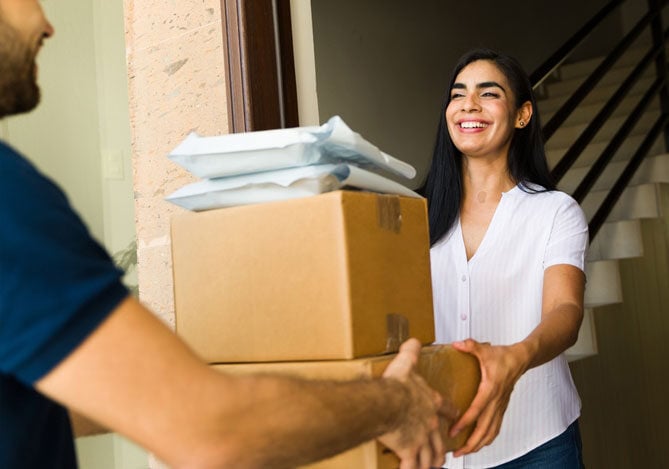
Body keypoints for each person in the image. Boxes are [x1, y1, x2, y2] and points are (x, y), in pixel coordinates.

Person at [0, 2, 454, 469]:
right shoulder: (8, 199)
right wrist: (396, 403)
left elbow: (31, 398)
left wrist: (195, 391)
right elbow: (213, 436)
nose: (47, 23)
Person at [422, 48, 588, 468]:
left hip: (537, 443)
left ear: (522, 114)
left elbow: (565, 309)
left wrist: (516, 356)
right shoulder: (412, 215)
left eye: (488, 93)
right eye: (457, 94)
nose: (468, 105)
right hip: (439, 444)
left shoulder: (555, 211)